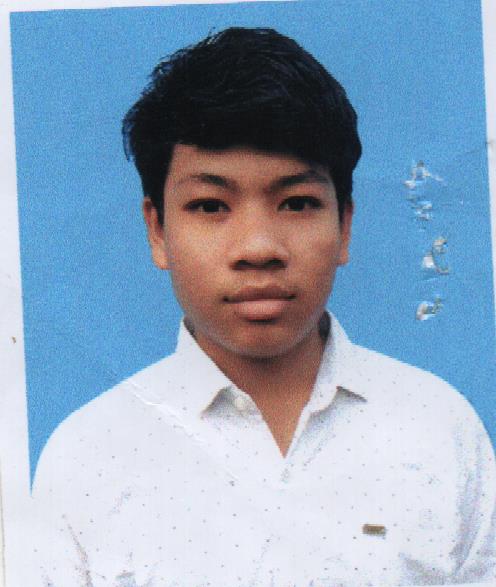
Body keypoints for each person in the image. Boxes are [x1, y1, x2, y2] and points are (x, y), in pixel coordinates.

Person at [30, 27, 496, 586]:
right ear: (157, 231)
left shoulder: (440, 430)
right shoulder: (85, 457)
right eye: (210, 206)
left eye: (297, 203)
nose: (258, 248)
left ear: (345, 224)